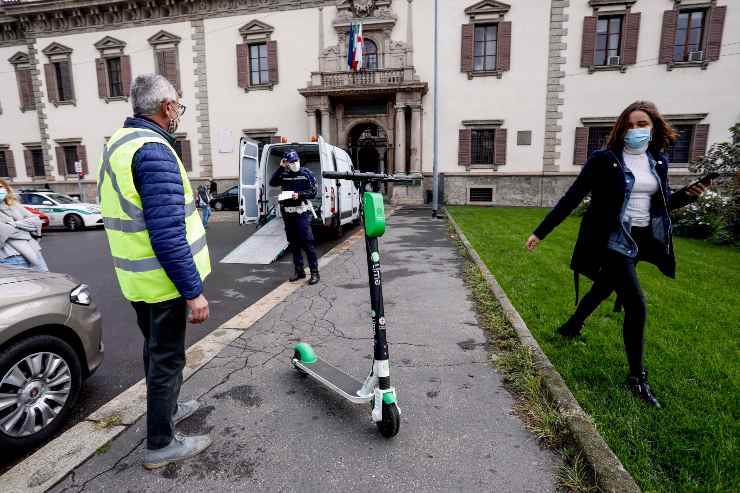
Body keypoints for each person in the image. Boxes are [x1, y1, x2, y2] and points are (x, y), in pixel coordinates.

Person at [526, 101, 709, 408]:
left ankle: (572, 325)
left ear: (653, 129)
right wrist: (540, 232)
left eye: (642, 124)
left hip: (640, 240)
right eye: (630, 124)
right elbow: (573, 197)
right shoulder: (604, 159)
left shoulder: (658, 162)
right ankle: (636, 378)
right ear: (621, 129)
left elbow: (658, 206)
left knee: (604, 288)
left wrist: (685, 197)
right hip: (613, 240)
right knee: (636, 305)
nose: (636, 130)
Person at [97, 74, 212, 469]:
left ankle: (170, 408)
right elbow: (167, 234)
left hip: (138, 279)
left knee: (156, 353)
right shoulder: (153, 151)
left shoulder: (119, 144)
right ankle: (161, 443)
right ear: (166, 108)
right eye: (177, 105)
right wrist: (193, 291)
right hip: (162, 283)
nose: (178, 112)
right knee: (167, 358)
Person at [269, 150, 320, 285]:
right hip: (288, 214)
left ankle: (314, 272)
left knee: (307, 243)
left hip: (301, 213)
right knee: (294, 243)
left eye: (296, 160)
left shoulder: (306, 173)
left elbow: (313, 191)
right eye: (291, 162)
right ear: (286, 163)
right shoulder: (284, 174)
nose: (295, 164)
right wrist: (280, 167)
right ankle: (299, 271)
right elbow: (272, 182)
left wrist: (300, 195)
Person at [0, 179, 47, 271]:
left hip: (34, 251)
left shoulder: (14, 205)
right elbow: (4, 232)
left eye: (0, 187)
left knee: (46, 283)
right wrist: (25, 228)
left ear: (6, 189)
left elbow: (36, 221)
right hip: (10, 257)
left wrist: (13, 224)